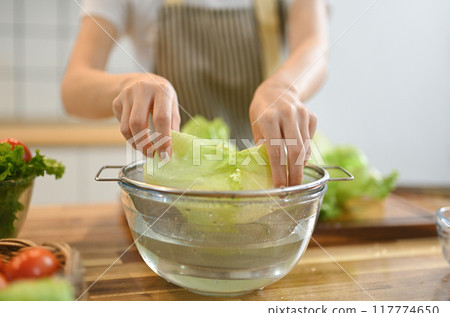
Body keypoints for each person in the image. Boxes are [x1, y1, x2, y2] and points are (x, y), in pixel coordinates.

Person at [61, 0, 328, 188]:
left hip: (267, 192)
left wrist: (282, 88)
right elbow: (74, 86)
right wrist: (128, 84)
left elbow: (314, 45)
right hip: (171, 198)